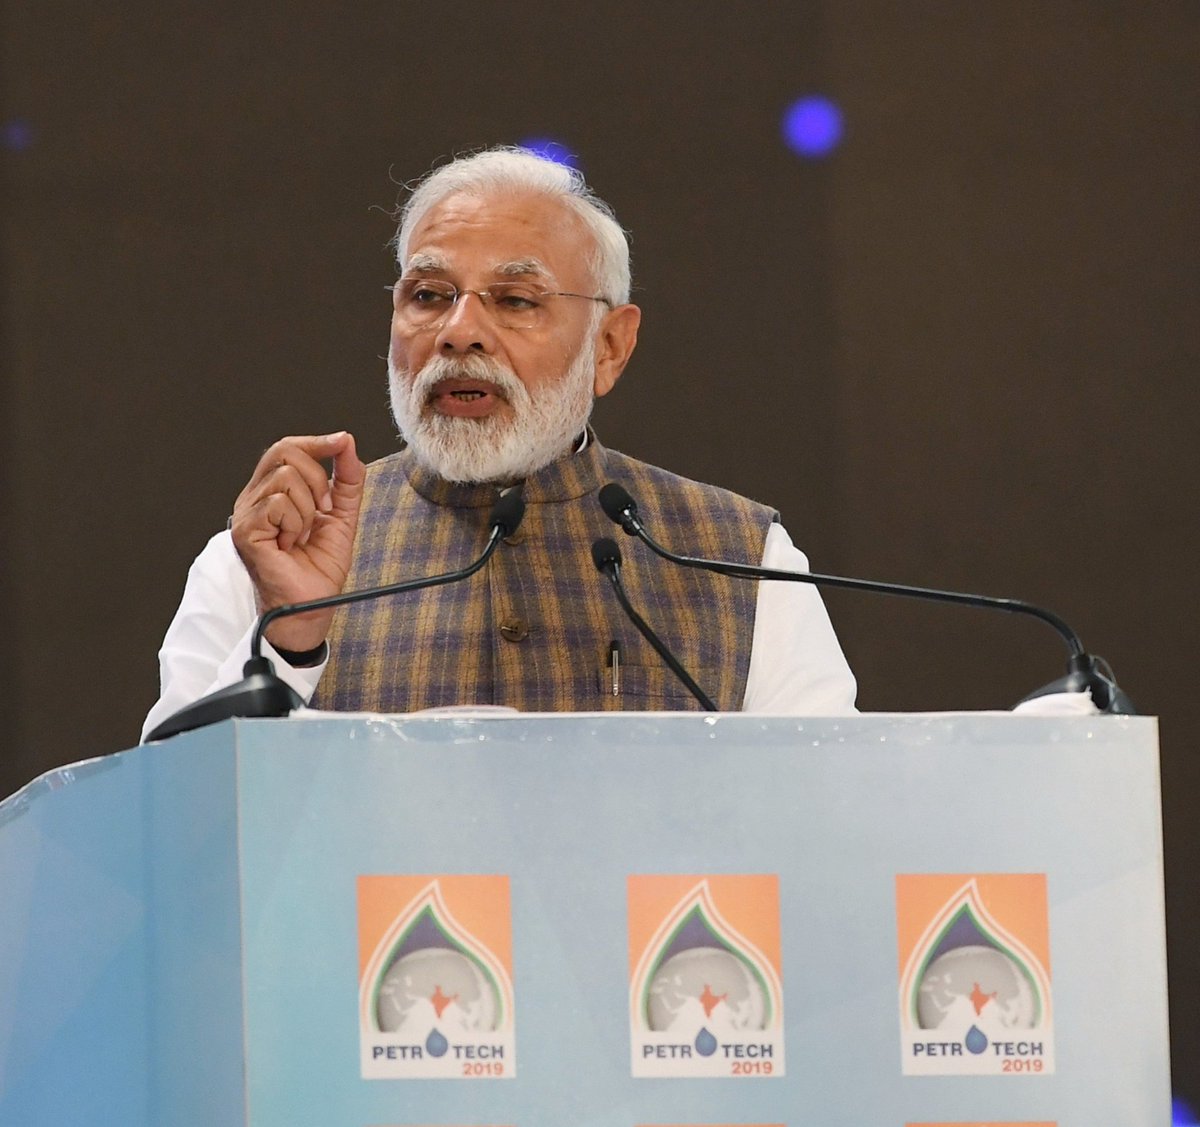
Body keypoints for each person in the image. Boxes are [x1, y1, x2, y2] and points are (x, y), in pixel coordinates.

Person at [141, 148, 855, 740]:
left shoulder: (741, 557)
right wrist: (291, 641)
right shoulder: (271, 556)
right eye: (427, 295)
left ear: (610, 345)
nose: (458, 331)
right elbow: (173, 828)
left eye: (515, 300)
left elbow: (831, 825)